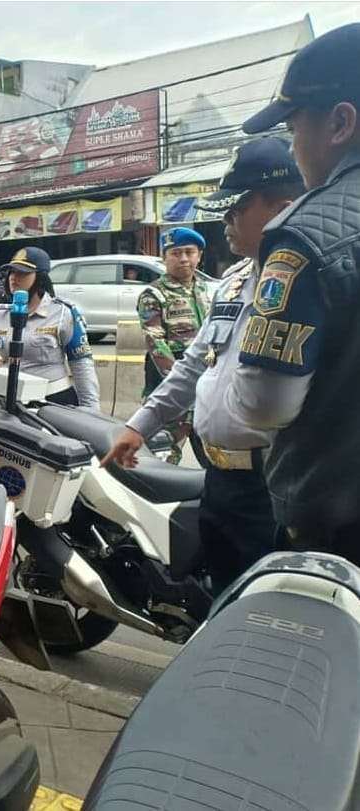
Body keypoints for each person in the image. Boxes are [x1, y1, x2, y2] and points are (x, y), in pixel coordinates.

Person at [102, 137, 304, 592]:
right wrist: (140, 424)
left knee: (265, 608)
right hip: (219, 479)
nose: (225, 220)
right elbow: (195, 364)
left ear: (281, 209)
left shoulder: (309, 284)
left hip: (272, 488)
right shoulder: (232, 283)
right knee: (221, 597)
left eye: (237, 210)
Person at [224, 22, 360, 558]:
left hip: (338, 533)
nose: (293, 146)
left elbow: (263, 405)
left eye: (294, 126)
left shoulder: (306, 232)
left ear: (340, 123)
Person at [0, 247, 99, 409]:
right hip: (11, 401)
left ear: (40, 277)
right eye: (11, 272)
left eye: (22, 273)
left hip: (54, 401)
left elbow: (81, 365)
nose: (14, 278)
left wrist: (90, 410)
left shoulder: (62, 314)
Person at [136, 227, 211, 464]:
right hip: (170, 387)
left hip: (204, 387)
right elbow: (156, 344)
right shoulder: (153, 294)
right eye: (176, 253)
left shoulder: (202, 289)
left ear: (199, 255)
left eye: (189, 252)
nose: (184, 259)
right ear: (164, 258)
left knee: (214, 457)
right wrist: (181, 384)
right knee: (163, 458)